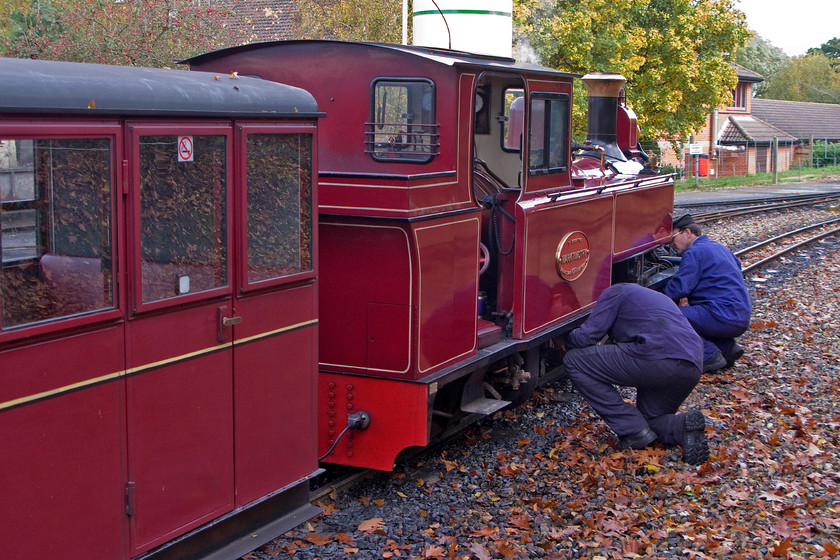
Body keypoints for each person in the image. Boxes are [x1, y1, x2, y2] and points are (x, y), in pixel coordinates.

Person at [562, 283, 709, 465]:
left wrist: (564, 338)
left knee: (574, 361)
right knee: (649, 420)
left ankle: (632, 429)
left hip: (657, 357)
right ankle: (681, 427)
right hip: (693, 364)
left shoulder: (615, 292)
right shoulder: (656, 297)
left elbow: (586, 337)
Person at [666, 214, 752, 373]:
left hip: (721, 315)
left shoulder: (694, 252)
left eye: (672, 238)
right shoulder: (720, 247)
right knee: (695, 315)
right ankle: (727, 348)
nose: (671, 244)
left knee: (668, 315)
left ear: (688, 233)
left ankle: (708, 355)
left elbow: (679, 288)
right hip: (741, 315)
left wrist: (655, 298)